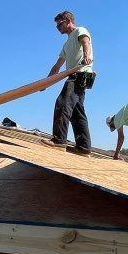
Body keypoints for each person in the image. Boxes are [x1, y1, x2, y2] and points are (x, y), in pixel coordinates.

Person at [41, 10, 94, 155]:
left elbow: (85, 42)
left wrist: (86, 56)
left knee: (63, 102)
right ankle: (83, 148)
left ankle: (58, 141)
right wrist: (45, 83)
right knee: (77, 112)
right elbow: (57, 66)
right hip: (76, 75)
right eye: (56, 26)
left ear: (68, 21)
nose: (58, 28)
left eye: (60, 24)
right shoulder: (66, 44)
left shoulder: (80, 30)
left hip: (80, 74)